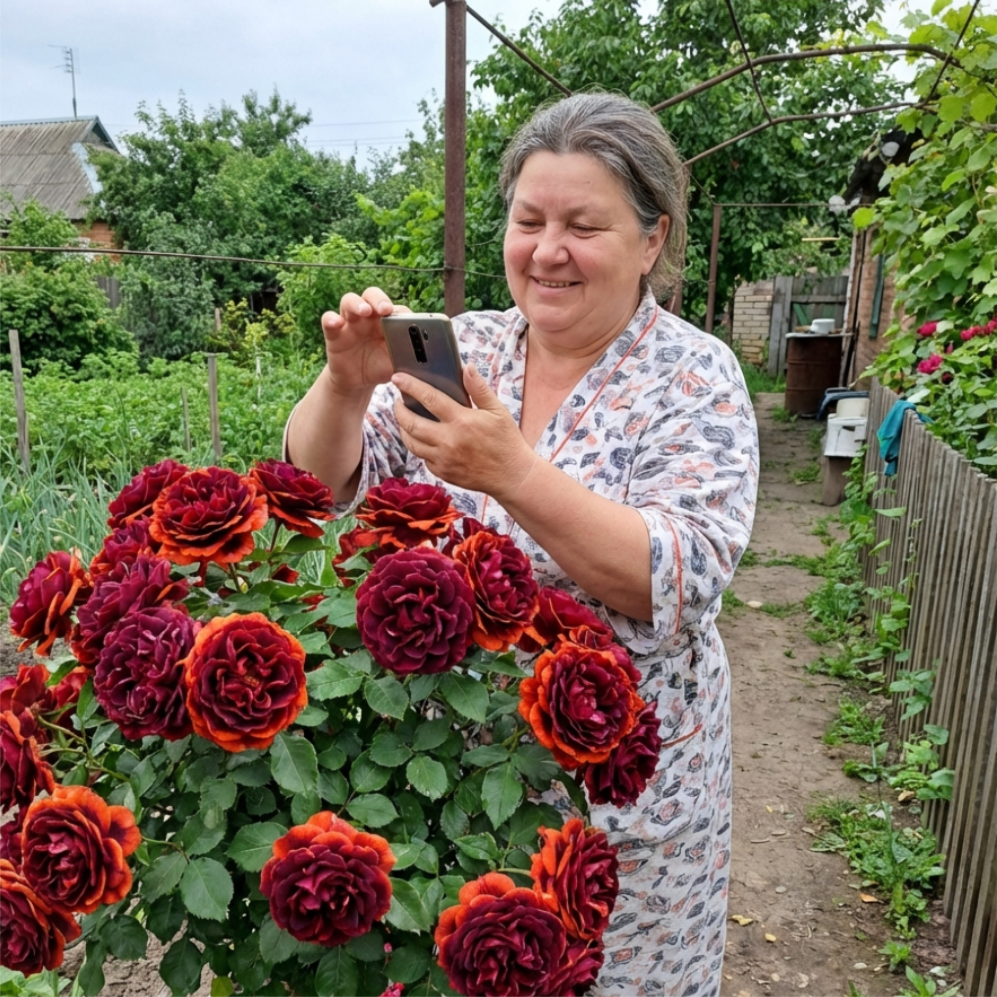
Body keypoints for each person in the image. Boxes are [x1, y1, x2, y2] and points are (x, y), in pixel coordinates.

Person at [285, 91, 759, 997]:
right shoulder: (469, 351)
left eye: (583, 225)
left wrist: (512, 473)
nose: (546, 250)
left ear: (651, 240)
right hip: (451, 779)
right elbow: (321, 484)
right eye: (528, 220)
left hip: (620, 797)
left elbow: (676, 572)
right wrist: (343, 386)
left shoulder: (693, 375)